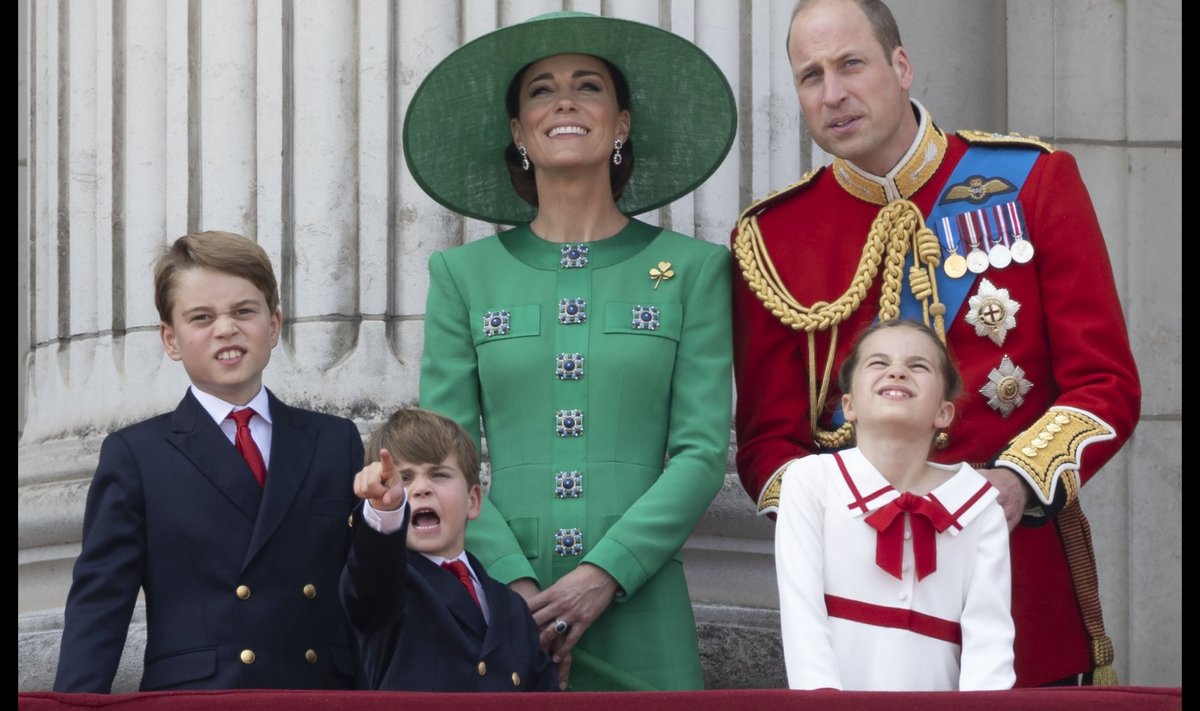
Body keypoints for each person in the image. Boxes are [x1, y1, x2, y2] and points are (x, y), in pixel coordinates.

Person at [732, 0, 1141, 687]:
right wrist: (846, 517)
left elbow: (1105, 384)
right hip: (859, 619)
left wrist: (1014, 483)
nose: (832, 93)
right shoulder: (772, 239)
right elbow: (766, 443)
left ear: (900, 65)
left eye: (851, 64)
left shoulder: (1032, 182)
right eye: (810, 76)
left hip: (1021, 580)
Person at [401, 11, 737, 691]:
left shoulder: (695, 269)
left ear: (622, 124)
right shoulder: (462, 276)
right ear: (519, 132)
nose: (564, 101)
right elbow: (441, 456)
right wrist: (517, 587)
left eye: (588, 86)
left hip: (642, 602)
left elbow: (701, 452)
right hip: (502, 604)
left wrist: (604, 572)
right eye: (540, 91)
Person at [53, 231, 363, 693]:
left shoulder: (335, 441)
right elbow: (101, 603)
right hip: (199, 697)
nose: (226, 328)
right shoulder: (137, 454)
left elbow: (368, 590)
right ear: (170, 338)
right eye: (202, 317)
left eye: (243, 311)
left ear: (273, 325)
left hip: (319, 692)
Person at [776, 318, 1014, 691]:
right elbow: (801, 615)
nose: (897, 372)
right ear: (849, 405)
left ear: (944, 412)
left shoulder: (980, 506)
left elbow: (990, 644)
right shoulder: (810, 480)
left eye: (918, 366)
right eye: (878, 363)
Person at [339, 408, 558, 691]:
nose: (420, 489)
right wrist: (385, 509)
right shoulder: (389, 585)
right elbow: (369, 579)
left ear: (474, 500)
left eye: (438, 474)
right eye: (403, 478)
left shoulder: (512, 606)